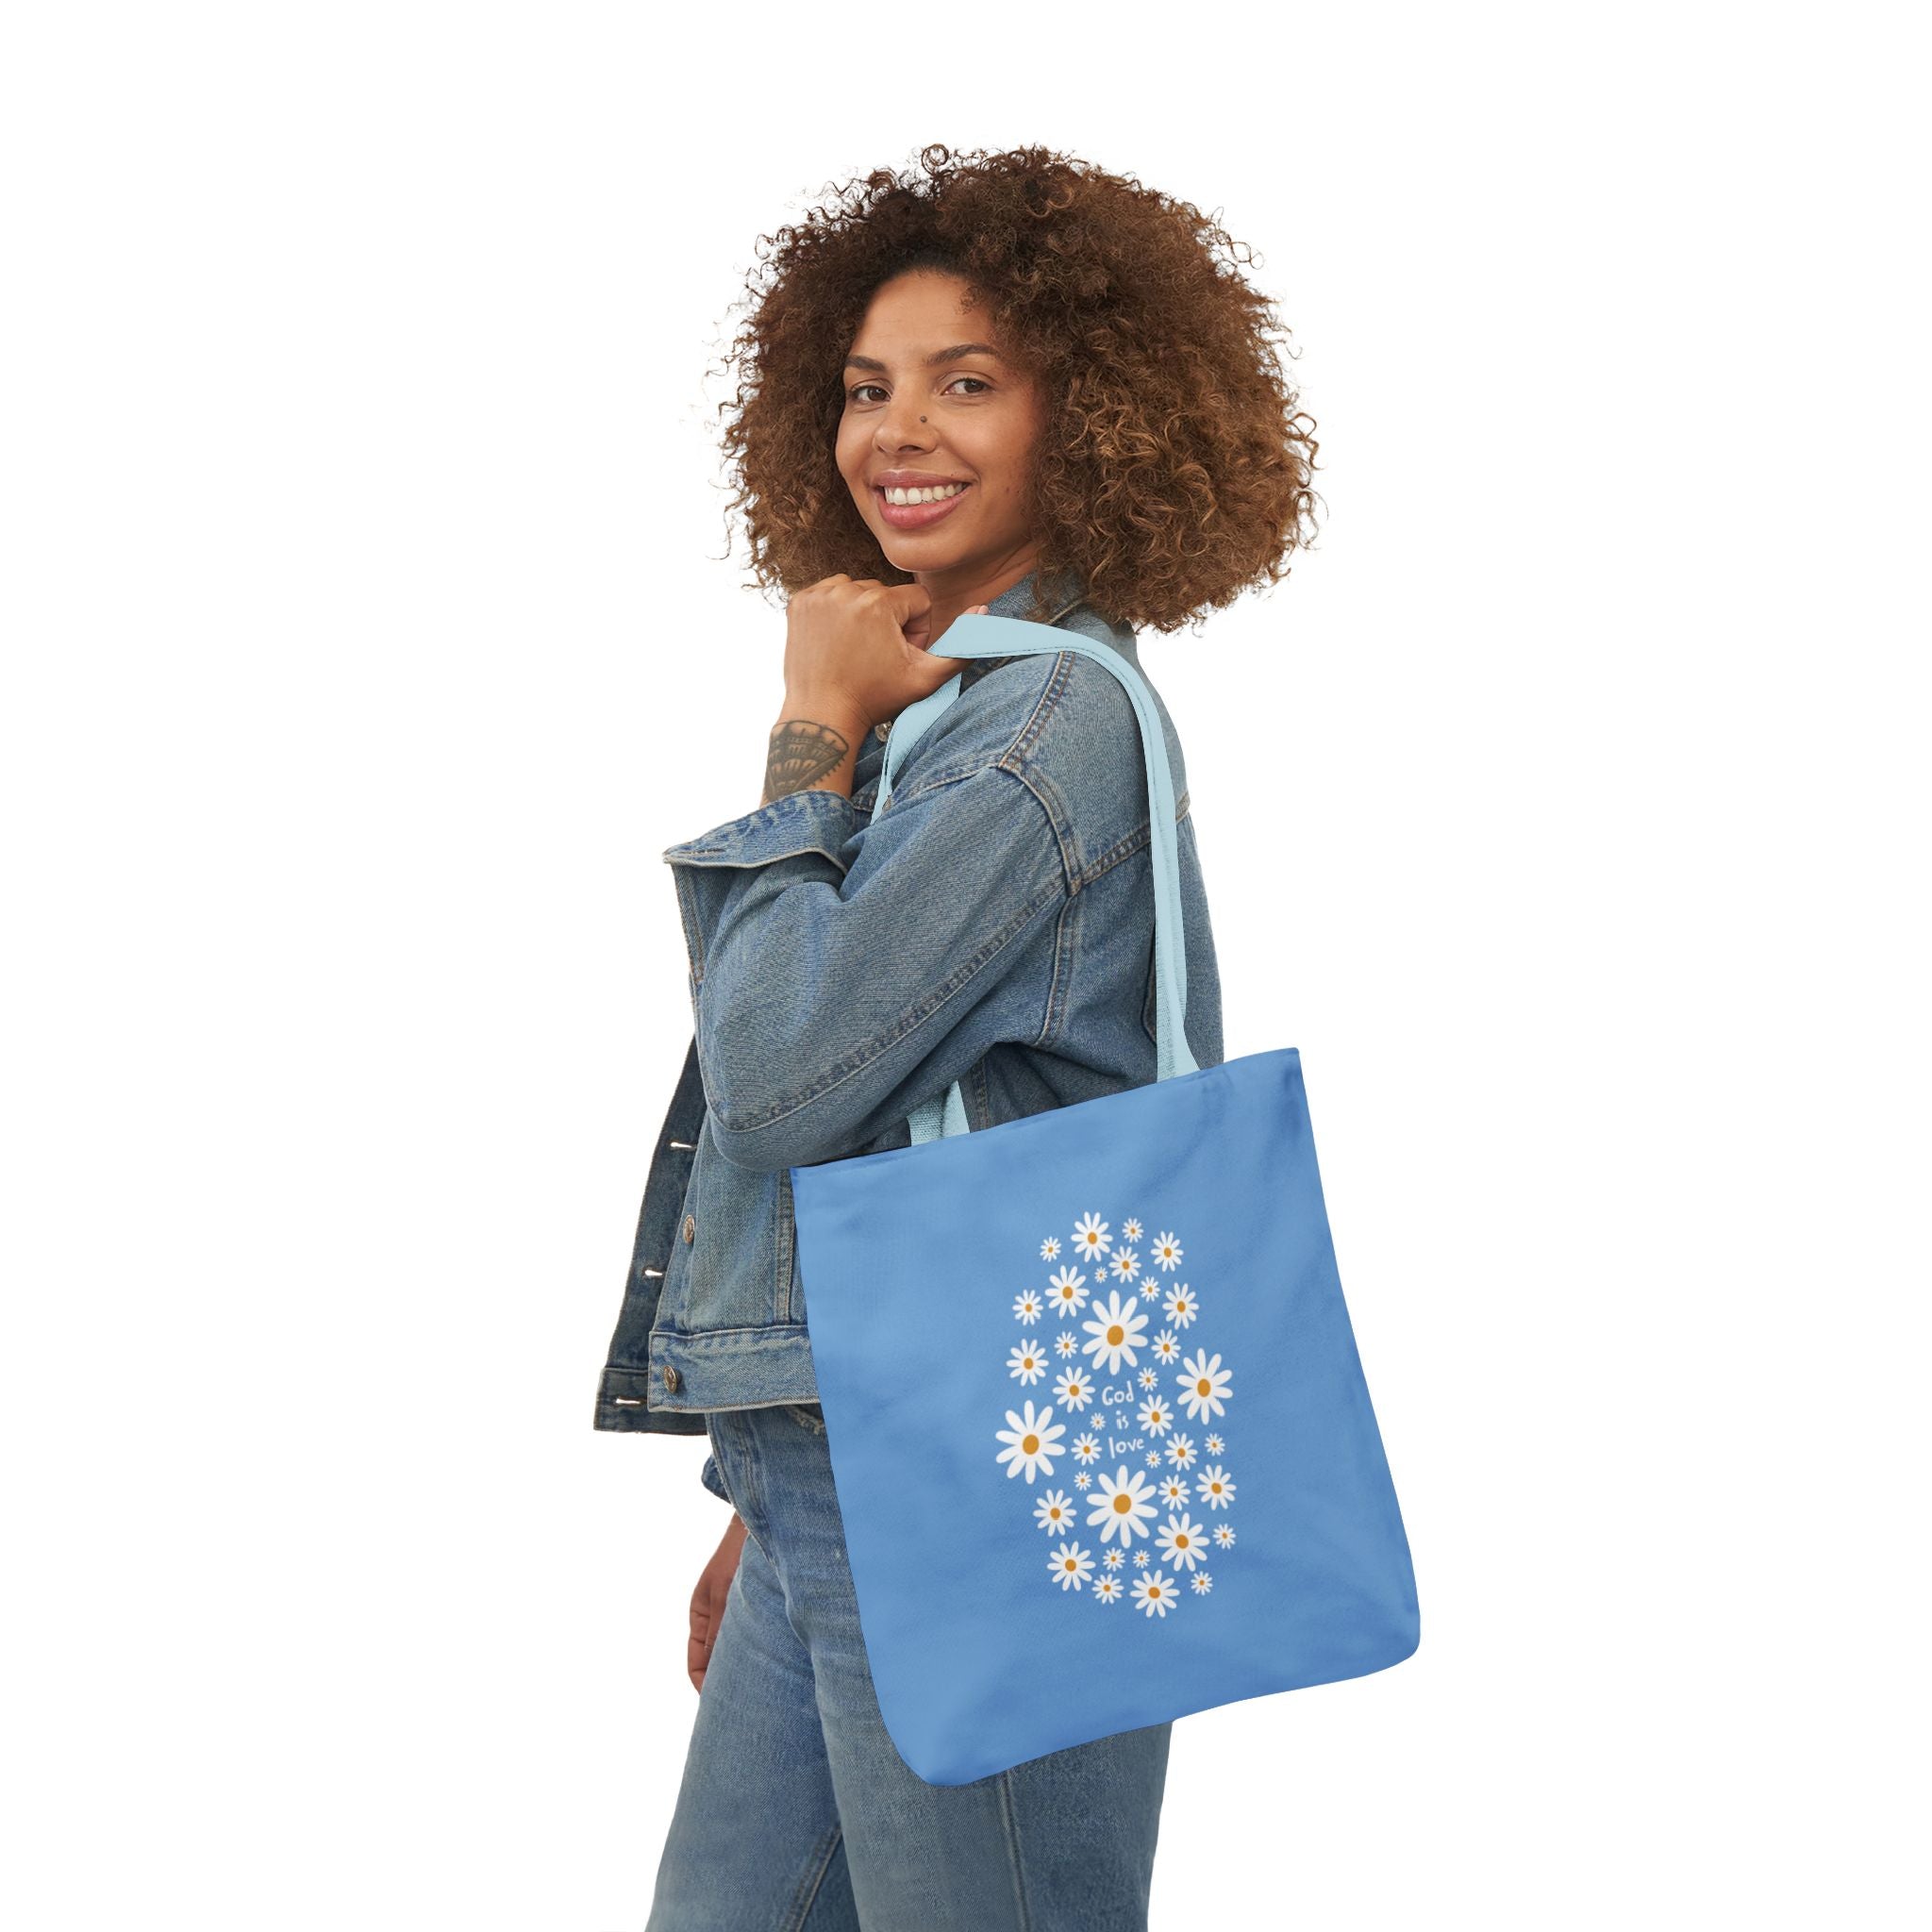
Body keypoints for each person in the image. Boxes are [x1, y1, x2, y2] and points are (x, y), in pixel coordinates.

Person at [592, 142, 1320, 1929]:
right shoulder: (964, 710)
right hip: (850, 1457)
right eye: (863, 389)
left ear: (1096, 416)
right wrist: (769, 1481)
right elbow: (899, 1140)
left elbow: (789, 1081)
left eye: (967, 383)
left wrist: (807, 740)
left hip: (987, 1477)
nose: (894, 433)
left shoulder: (1044, 727)